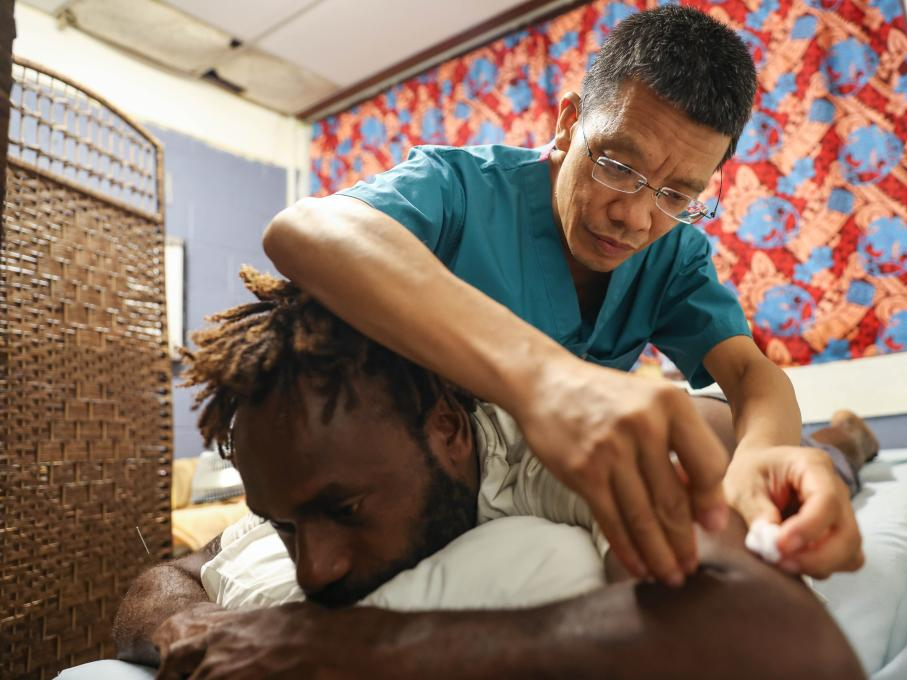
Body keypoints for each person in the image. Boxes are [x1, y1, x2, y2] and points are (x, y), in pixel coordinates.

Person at [262, 4, 864, 587]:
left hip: (573, 451)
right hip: (471, 454)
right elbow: (303, 230)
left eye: (675, 195)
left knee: (736, 432)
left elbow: (752, 375)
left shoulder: (674, 252)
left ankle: (843, 443)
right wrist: (546, 379)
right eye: (618, 166)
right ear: (569, 121)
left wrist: (762, 456)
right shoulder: (459, 189)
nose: (634, 217)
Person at [106, 268, 866, 679]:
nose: (315, 569)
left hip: (715, 434)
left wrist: (336, 650)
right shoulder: (312, 478)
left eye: (344, 510)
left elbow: (776, 637)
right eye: (285, 526)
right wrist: (196, 627)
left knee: (819, 466)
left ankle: (851, 437)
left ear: (448, 430)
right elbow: (169, 575)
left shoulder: (558, 456)